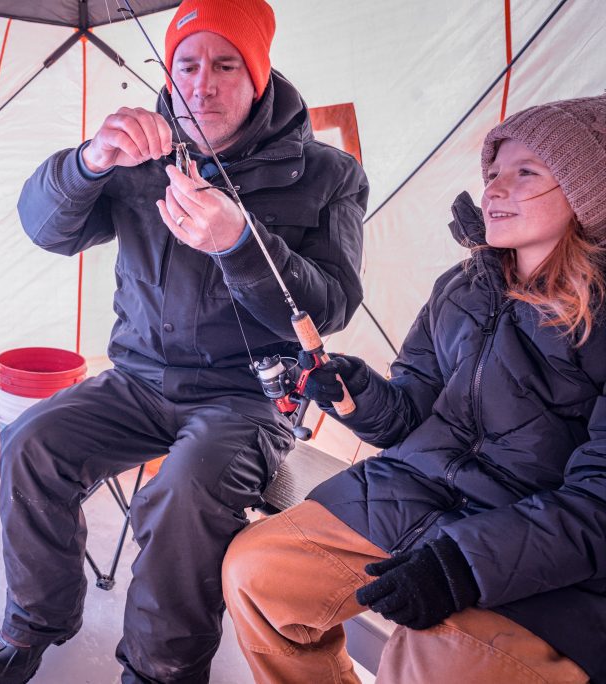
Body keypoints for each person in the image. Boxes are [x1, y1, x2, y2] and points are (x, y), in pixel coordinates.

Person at [0, 0, 368, 682]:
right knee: (32, 442)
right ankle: (33, 621)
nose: (202, 83)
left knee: (184, 489)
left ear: (259, 75)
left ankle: (160, 670)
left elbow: (332, 305)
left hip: (247, 399)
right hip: (137, 384)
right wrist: (89, 161)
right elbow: (46, 229)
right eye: (187, 64)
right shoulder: (139, 154)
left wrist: (240, 243)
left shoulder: (325, 174)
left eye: (224, 64)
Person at [221, 93, 606, 683]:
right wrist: (356, 394)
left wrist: (462, 565)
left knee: (429, 655)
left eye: (526, 172)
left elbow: (598, 504)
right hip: (416, 492)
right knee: (256, 572)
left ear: (589, 188)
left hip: (539, 546)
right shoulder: (463, 284)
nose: (495, 189)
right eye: (494, 173)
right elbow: (409, 411)